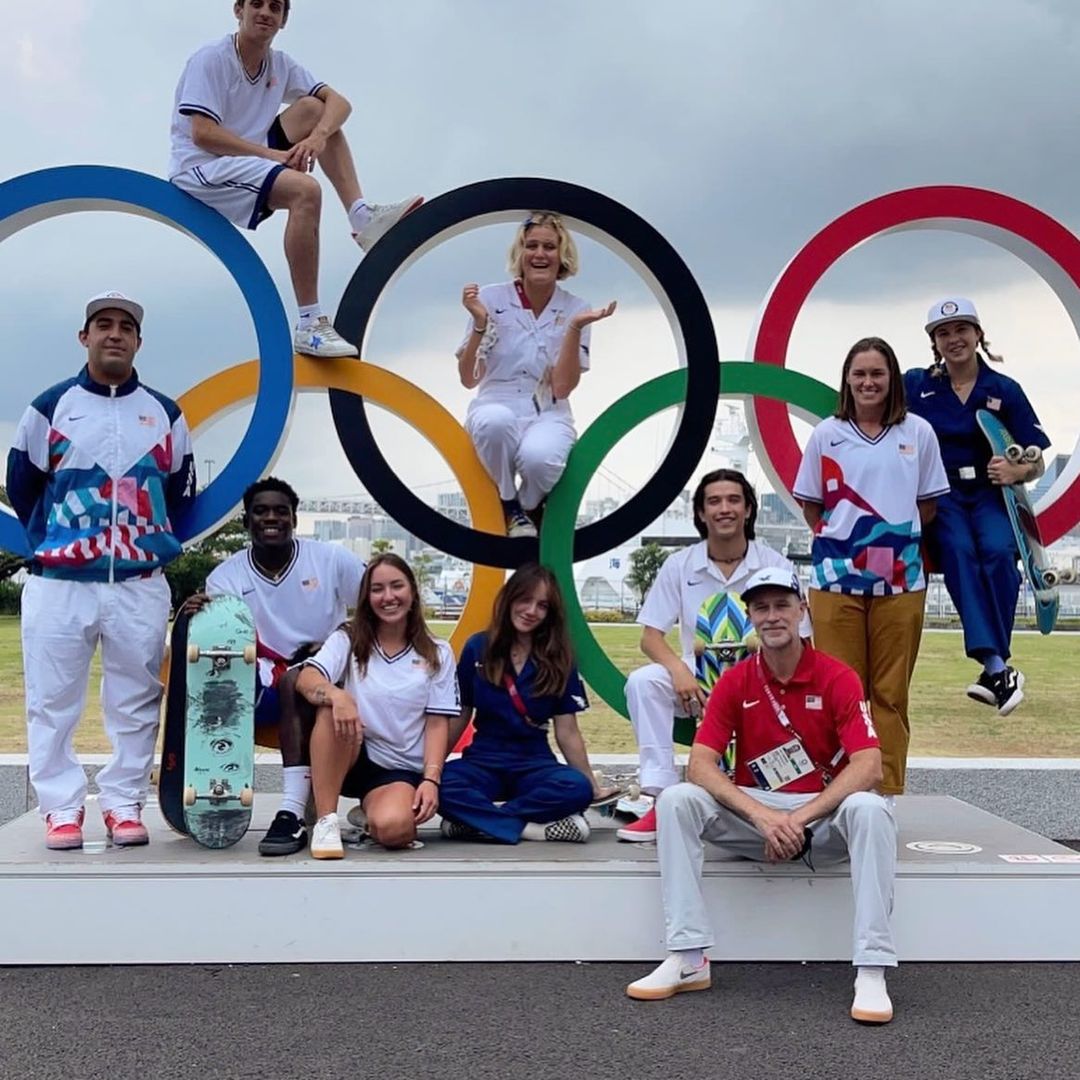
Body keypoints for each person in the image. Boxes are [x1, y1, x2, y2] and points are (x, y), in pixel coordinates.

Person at [626, 567, 897, 1024]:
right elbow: (700, 764)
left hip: (820, 821)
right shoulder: (735, 680)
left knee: (871, 808)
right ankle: (688, 956)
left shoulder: (838, 677)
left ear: (801, 611)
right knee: (676, 799)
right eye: (761, 608)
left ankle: (872, 968)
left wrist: (798, 818)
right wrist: (764, 817)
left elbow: (869, 765)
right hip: (757, 818)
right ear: (751, 616)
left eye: (782, 605)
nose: (772, 617)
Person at [6, 292, 196, 850]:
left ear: (139, 341)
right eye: (103, 325)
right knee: (50, 700)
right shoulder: (50, 406)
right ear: (84, 337)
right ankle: (61, 810)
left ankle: (122, 803)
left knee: (136, 699)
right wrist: (61, 542)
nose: (115, 334)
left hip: (138, 583)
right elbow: (23, 486)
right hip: (59, 583)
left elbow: (180, 493)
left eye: (126, 327)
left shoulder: (165, 412)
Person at [168, 0, 422, 359]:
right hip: (204, 168)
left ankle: (362, 217)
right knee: (305, 191)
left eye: (275, 8)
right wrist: (272, 156)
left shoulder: (280, 64)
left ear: (284, 20)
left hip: (251, 155)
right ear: (238, 9)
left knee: (318, 112)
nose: (265, 13)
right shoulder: (210, 59)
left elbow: (340, 103)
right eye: (256, 4)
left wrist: (316, 137)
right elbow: (203, 134)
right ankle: (309, 324)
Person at [793, 337, 947, 795]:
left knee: (890, 695)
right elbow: (812, 505)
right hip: (835, 583)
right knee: (842, 694)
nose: (868, 382)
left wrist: (889, 541)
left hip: (902, 585)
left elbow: (928, 505)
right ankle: (840, 793)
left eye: (877, 373)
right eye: (859, 373)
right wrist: (847, 541)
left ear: (891, 379)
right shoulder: (827, 434)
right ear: (846, 379)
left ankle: (886, 792)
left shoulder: (916, 433)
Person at [619, 469, 805, 842]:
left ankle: (780, 797)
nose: (724, 509)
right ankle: (661, 796)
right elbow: (650, 637)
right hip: (699, 680)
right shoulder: (679, 565)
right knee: (644, 682)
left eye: (733, 500)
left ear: (749, 510)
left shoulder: (775, 565)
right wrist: (677, 670)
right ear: (701, 514)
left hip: (761, 678)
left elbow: (801, 637)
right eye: (714, 501)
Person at [184, 476, 364, 856]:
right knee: (217, 686)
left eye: (281, 511)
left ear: (295, 519)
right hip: (262, 681)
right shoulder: (226, 576)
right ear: (246, 521)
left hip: (328, 676)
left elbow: (376, 603)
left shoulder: (330, 559)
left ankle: (293, 811)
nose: (272, 518)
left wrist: (340, 638)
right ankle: (211, 790)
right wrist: (196, 618)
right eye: (260, 511)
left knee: (299, 680)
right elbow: (224, 639)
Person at [904, 299, 1049, 715]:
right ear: (934, 342)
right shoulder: (917, 385)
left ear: (978, 334)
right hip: (941, 493)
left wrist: (1017, 471)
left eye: (961, 330)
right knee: (960, 555)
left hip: (990, 494)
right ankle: (996, 665)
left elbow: (1037, 456)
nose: (954, 340)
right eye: (944, 333)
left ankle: (995, 669)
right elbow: (869, 394)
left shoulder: (1003, 389)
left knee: (1002, 556)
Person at [457, 212, 616, 537]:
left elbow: (562, 387)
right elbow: (468, 378)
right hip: (495, 401)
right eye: (532, 246)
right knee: (495, 423)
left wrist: (574, 328)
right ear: (520, 253)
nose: (540, 254)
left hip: (548, 409)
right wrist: (478, 324)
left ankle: (526, 508)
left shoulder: (577, 307)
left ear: (563, 255)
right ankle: (509, 503)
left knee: (541, 459)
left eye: (549, 246)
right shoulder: (490, 298)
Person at [294, 554, 459, 859]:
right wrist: (336, 694)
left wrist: (430, 779)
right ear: (366, 597)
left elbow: (438, 722)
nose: (388, 597)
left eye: (397, 586)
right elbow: (307, 678)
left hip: (397, 769)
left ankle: (370, 815)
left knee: (395, 830)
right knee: (331, 709)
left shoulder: (439, 652)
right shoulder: (349, 637)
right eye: (377, 589)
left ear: (412, 592)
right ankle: (326, 821)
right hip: (352, 752)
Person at [438, 563, 616, 843]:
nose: (531, 611)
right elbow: (461, 714)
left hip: (534, 762)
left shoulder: (558, 657)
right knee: (441, 786)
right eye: (525, 600)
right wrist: (430, 771)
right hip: (483, 759)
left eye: (542, 605)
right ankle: (532, 829)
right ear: (509, 599)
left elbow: (567, 731)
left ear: (550, 613)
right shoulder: (478, 647)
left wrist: (591, 785)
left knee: (575, 788)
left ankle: (478, 822)